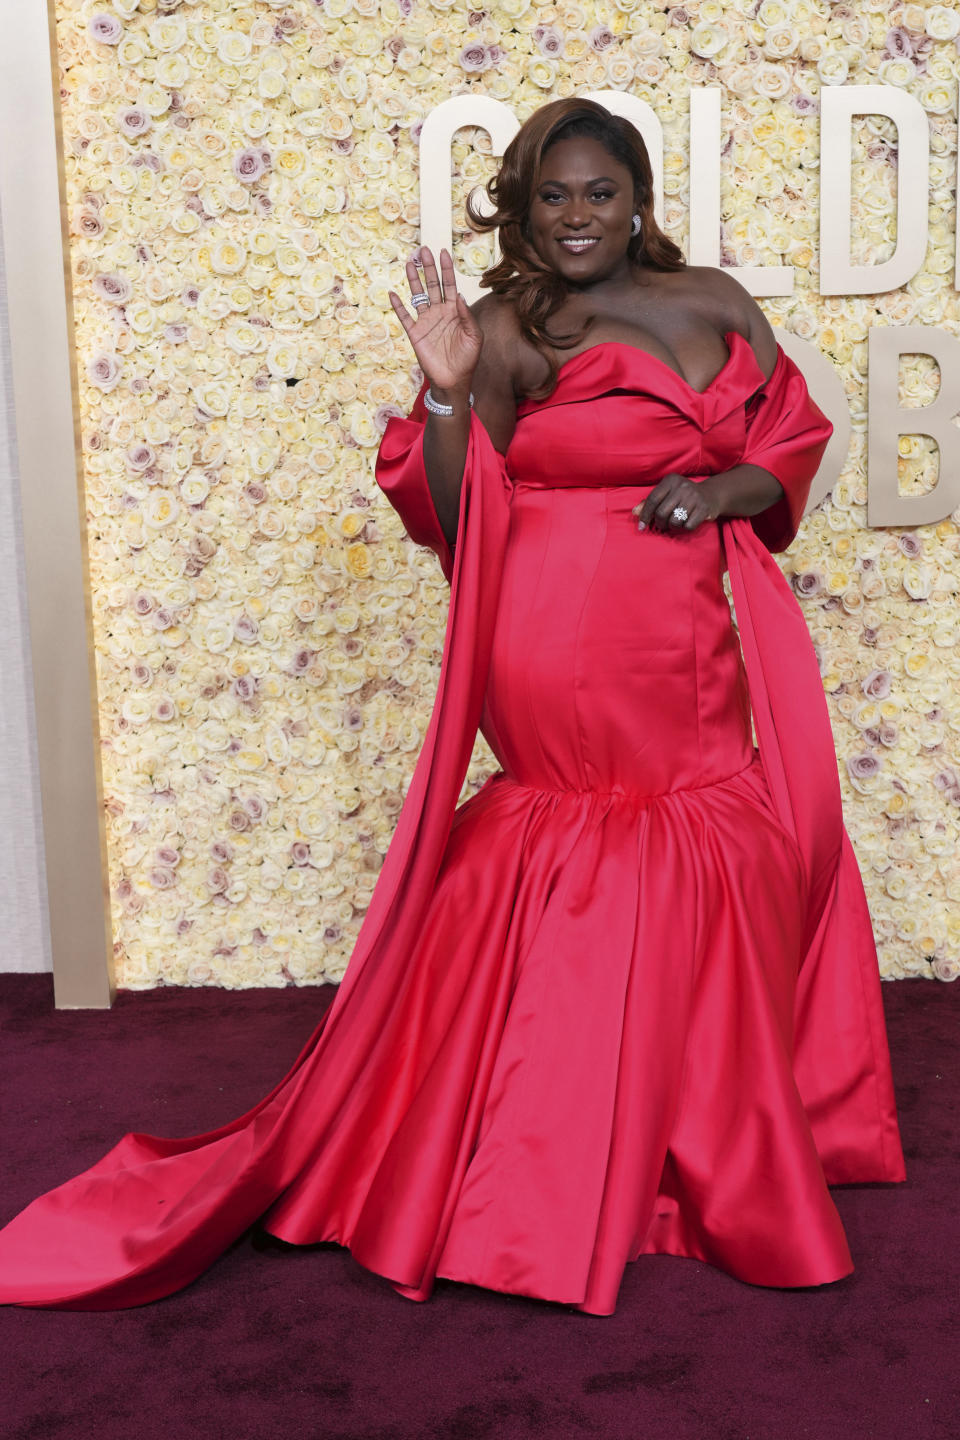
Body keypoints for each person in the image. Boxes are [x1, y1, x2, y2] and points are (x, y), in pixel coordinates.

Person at [0, 98, 904, 1316]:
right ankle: (557, 1161)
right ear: (523, 212)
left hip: (694, 626)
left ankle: (694, 1135)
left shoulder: (719, 301)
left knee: (718, 840)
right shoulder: (508, 327)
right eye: (551, 197)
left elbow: (788, 435)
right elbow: (459, 510)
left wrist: (726, 486)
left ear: (640, 199)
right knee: (605, 837)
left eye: (598, 193)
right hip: (562, 625)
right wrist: (443, 394)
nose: (576, 217)